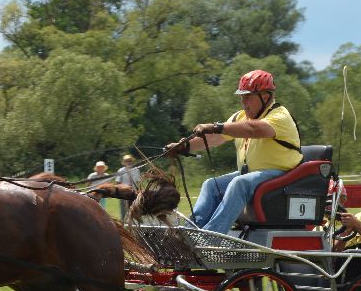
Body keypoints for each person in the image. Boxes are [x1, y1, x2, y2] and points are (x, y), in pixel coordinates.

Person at [166, 69, 301, 233]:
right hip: (254, 175)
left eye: (248, 97)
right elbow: (215, 138)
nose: (244, 102)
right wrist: (184, 146)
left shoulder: (280, 116)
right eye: (242, 97)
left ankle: (211, 235)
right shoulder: (241, 117)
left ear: (265, 97)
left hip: (284, 176)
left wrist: (216, 127)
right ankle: (189, 233)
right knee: (211, 185)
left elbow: (253, 130)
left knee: (239, 183)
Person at [115, 154, 141, 221]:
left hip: (134, 193)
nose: (129, 162)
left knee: (134, 210)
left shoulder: (136, 170)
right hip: (124, 194)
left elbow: (138, 182)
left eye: (130, 161)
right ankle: (123, 225)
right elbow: (117, 183)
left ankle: (133, 225)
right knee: (123, 212)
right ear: (124, 162)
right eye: (127, 161)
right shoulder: (121, 170)